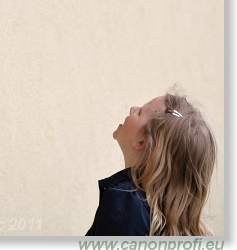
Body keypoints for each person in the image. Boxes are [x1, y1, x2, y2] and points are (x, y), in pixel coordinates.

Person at [85, 91, 216, 236]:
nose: (132, 108)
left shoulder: (125, 204)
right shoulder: (165, 220)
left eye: (140, 112)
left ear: (142, 141)